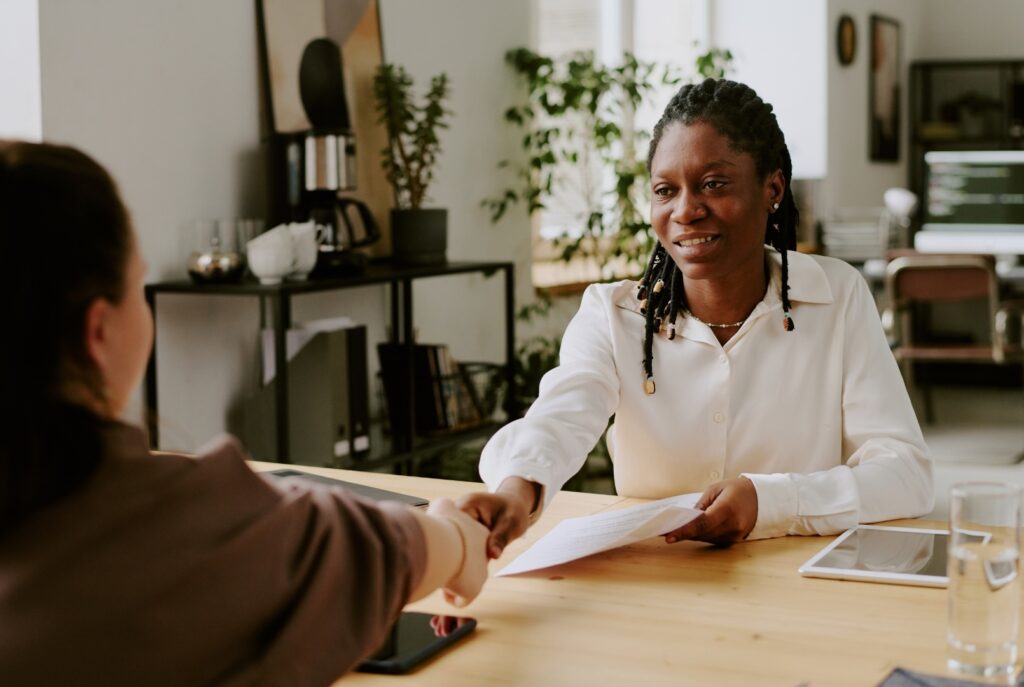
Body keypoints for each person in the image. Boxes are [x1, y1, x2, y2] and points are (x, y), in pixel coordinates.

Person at [0, 140, 490, 686]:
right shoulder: (189, 535)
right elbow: (381, 549)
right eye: (136, 285)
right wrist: (459, 535)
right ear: (99, 332)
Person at [460, 78, 933, 557]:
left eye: (713, 184)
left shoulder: (838, 297)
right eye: (666, 190)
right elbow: (561, 416)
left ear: (772, 188)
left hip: (798, 581)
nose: (686, 210)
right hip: (656, 584)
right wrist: (518, 491)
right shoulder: (613, 315)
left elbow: (904, 474)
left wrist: (769, 501)